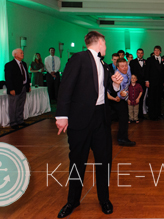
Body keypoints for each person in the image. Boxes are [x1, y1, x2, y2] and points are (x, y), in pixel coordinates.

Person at [54, 31, 122, 218]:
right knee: (77, 161)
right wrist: (62, 115)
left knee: (104, 160)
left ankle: (104, 199)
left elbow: (109, 88)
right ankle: (72, 201)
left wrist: (115, 84)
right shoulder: (79, 58)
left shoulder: (105, 64)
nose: (106, 48)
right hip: (80, 119)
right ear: (99, 42)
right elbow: (66, 87)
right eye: (105, 44)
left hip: (101, 118)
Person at [107, 56, 134, 146]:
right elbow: (117, 90)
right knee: (123, 118)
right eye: (122, 66)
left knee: (122, 118)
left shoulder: (128, 68)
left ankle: (122, 137)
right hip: (116, 99)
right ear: (117, 68)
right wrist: (120, 95)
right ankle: (122, 139)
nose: (125, 68)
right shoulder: (118, 76)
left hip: (122, 98)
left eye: (125, 65)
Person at [4, 48, 30, 129]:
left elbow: (26, 75)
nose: (23, 54)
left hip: (23, 87)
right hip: (14, 88)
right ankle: (13, 122)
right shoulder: (9, 65)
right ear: (15, 55)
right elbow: (8, 78)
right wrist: (11, 89)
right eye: (21, 53)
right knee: (13, 106)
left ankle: (20, 120)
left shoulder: (24, 64)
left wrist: (28, 86)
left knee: (21, 105)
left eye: (22, 53)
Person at [130, 48, 147, 120]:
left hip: (143, 83)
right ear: (136, 54)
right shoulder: (132, 62)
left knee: (142, 99)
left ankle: (140, 115)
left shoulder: (146, 61)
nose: (140, 54)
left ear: (143, 54)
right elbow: (131, 72)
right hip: (135, 83)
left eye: (141, 53)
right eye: (138, 53)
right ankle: (134, 116)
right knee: (135, 99)